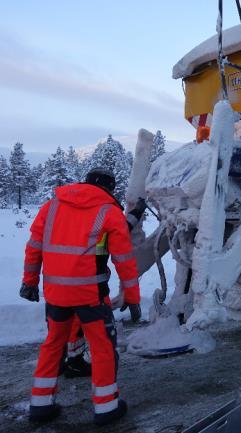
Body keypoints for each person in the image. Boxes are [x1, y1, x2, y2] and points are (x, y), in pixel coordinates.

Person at [20, 167, 141, 425]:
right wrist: (131, 296)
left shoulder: (50, 207)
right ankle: (106, 407)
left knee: (53, 345)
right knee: (102, 349)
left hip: (56, 295)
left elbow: (33, 249)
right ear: (109, 188)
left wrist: (29, 282)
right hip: (91, 296)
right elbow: (124, 260)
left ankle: (40, 406)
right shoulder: (109, 212)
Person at [63, 195, 147, 378]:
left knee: (67, 323)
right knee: (99, 333)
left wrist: (136, 212)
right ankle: (85, 368)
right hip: (89, 286)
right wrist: (138, 211)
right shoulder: (104, 216)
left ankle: (66, 361)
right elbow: (121, 229)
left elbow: (121, 227)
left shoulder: (68, 215)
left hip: (60, 282)